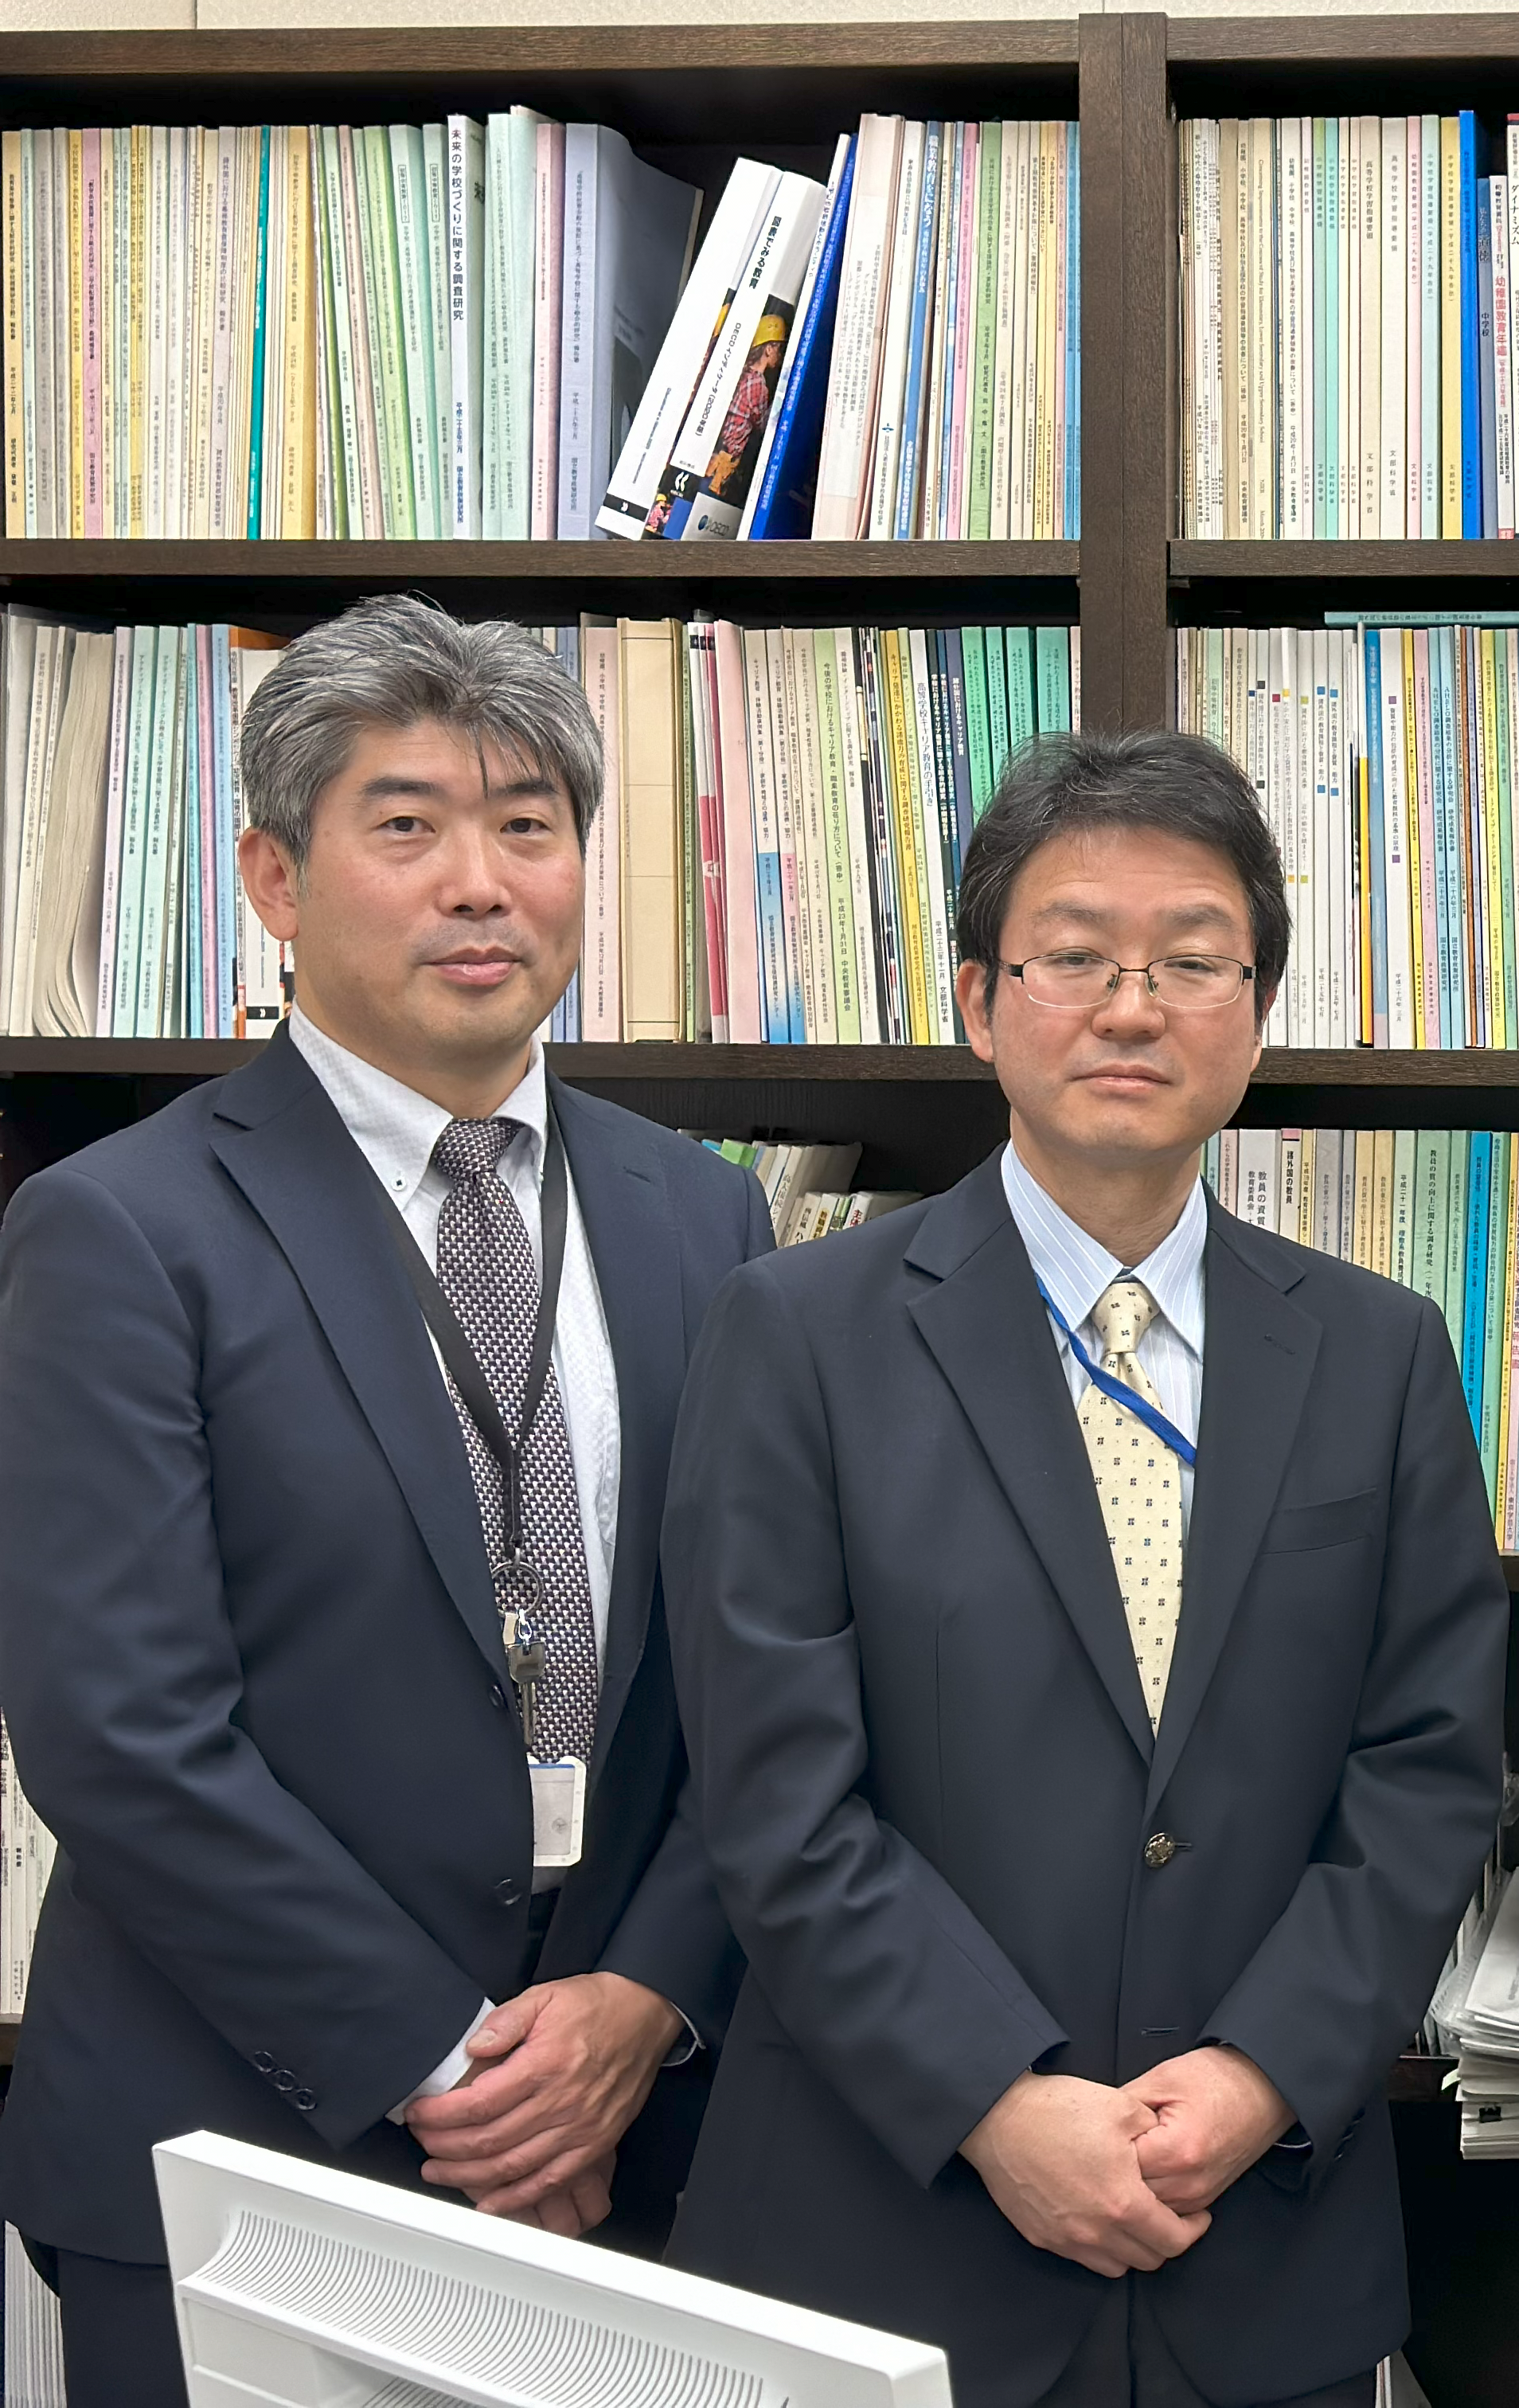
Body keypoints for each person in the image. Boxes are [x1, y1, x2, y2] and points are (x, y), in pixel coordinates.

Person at [661, 731, 1508, 2408]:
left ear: (1255, 1014)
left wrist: (1265, 2073)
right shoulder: (800, 1333)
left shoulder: (1379, 1350)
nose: (1136, 1007)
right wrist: (999, 2100)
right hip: (886, 2233)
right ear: (982, 1001)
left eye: (1195, 961)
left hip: (1255, 2242)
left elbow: (1427, 1768)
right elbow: (773, 1792)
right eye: (1075, 958)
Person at [0, 595, 773, 2404]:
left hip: (639, 2139)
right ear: (274, 880)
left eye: (529, 826)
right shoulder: (123, 1230)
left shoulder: (701, 1218)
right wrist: (457, 2068)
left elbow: (765, 1680)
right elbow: (118, 1732)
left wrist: (640, 2006)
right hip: (244, 2143)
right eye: (406, 825)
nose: (480, 884)